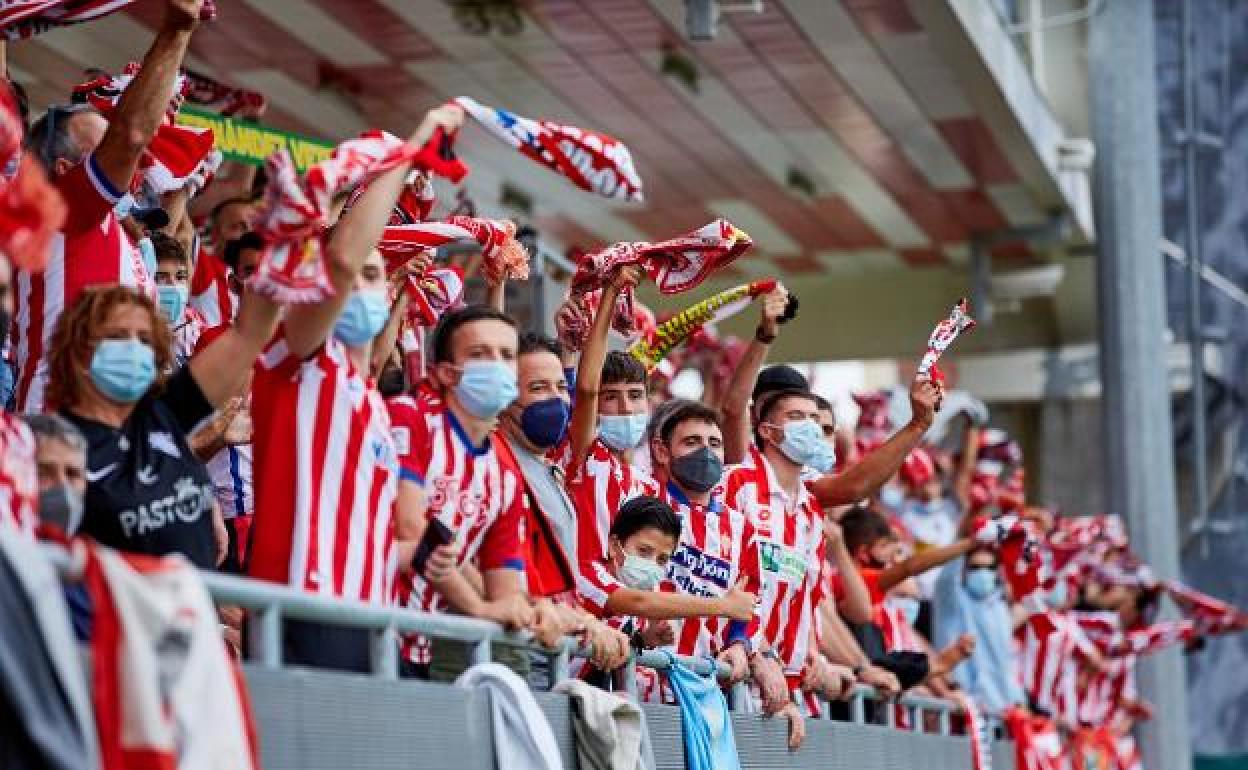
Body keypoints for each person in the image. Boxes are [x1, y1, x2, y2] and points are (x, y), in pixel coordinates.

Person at [246, 106, 467, 673]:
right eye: (352, 278)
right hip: (301, 611)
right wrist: (409, 149)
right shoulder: (294, 358)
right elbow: (342, 260)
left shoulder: (369, 400)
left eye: (376, 277)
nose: (358, 285)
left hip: (372, 620)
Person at [15, 0, 205, 413]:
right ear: (66, 169)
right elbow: (132, 134)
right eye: (102, 149)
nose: (132, 166)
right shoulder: (59, 212)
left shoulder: (120, 236)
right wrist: (176, 31)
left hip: (113, 448)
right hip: (57, 440)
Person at [385, 303, 540, 676]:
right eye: (478, 354)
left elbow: (504, 588)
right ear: (446, 373)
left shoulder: (504, 477)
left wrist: (533, 610)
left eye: (506, 356)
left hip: (420, 648)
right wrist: (478, 608)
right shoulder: (410, 417)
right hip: (366, 624)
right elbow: (410, 529)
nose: (496, 365)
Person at [723, 387, 866, 703]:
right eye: (796, 417)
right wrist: (752, 650)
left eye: (815, 418)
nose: (811, 426)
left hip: (785, 685)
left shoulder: (811, 512)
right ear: (767, 431)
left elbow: (806, 599)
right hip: (732, 672)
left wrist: (813, 653)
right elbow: (720, 579)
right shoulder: (736, 483)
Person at [646, 401, 789, 712]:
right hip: (650, 683)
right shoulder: (644, 503)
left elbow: (751, 603)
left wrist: (740, 645)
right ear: (661, 451)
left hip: (711, 690)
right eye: (691, 442)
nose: (706, 453)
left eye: (714, 444)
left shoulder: (742, 528)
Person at [932, 545, 1026, 712]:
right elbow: (946, 578)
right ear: (964, 569)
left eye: (989, 567)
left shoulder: (1001, 609)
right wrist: (967, 539)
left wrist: (1018, 700)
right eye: (975, 567)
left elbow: (1006, 663)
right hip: (962, 706)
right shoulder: (951, 601)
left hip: (1002, 710)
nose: (982, 573)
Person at [190, 197, 255, 326]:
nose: (249, 232)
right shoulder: (203, 266)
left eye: (255, 225)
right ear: (215, 235)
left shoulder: (271, 281)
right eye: (237, 226)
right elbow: (186, 233)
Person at [150, 231, 204, 365]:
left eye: (180, 277)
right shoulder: (129, 331)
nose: (174, 285)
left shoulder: (199, 330)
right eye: (161, 278)